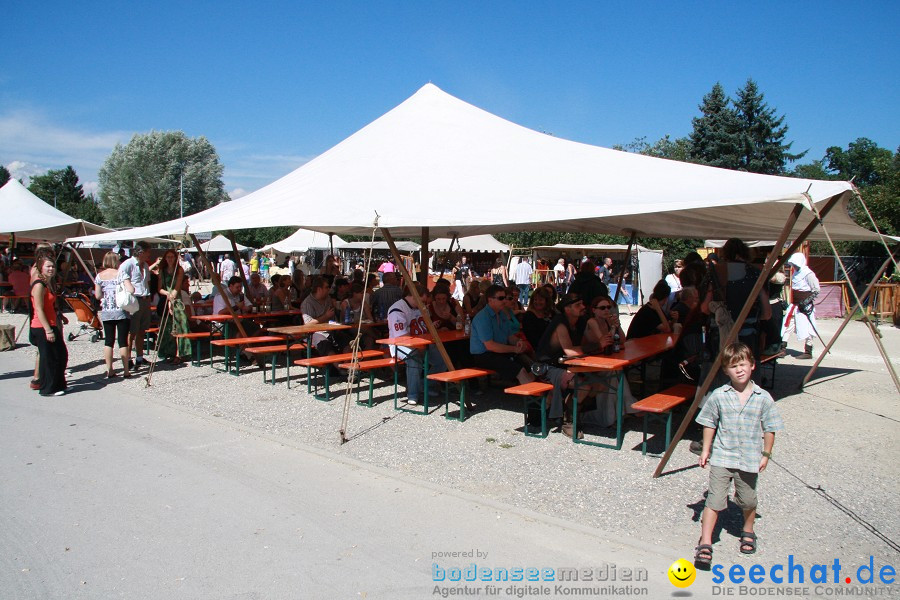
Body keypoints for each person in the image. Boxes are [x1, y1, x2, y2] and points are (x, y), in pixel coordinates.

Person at [694, 342, 783, 568]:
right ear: (726, 370)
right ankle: (705, 541)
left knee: (748, 499)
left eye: (743, 364)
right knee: (714, 499)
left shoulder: (763, 398)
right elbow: (709, 423)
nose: (739, 370)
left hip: (749, 458)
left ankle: (748, 529)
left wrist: (766, 454)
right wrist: (706, 450)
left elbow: (770, 427)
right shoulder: (719, 396)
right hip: (723, 456)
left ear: (752, 366)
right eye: (733, 366)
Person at [388, 283, 446, 405]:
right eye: (422, 301)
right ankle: (413, 394)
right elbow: (401, 337)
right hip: (400, 345)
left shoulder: (419, 308)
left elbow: (424, 327)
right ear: (415, 297)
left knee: (442, 359)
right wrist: (419, 345)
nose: (424, 304)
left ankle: (422, 385)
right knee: (414, 358)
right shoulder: (397, 309)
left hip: (422, 342)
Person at [469, 285, 532, 384]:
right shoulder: (483, 317)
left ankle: (540, 394)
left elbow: (510, 336)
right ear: (490, 300)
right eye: (501, 298)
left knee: (529, 365)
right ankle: (535, 396)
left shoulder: (501, 314)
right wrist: (514, 349)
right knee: (519, 369)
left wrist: (519, 342)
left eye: (505, 298)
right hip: (483, 356)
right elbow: (490, 346)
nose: (504, 301)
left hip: (498, 352)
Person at [30, 254, 68, 396]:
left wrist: (60, 317)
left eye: (53, 266)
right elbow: (38, 308)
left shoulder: (48, 283)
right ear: (41, 267)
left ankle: (59, 385)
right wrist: (48, 330)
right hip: (42, 326)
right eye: (48, 266)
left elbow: (50, 306)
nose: (51, 269)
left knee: (61, 355)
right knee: (49, 358)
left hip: (51, 323)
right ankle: (47, 389)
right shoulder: (39, 284)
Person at [94, 252, 131, 378]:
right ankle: (126, 370)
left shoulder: (99, 276)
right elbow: (131, 289)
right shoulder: (120, 274)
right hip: (121, 311)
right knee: (122, 341)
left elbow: (98, 295)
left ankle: (109, 369)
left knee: (108, 341)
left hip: (107, 311)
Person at [153, 249, 191, 364]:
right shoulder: (162, 271)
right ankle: (169, 352)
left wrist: (172, 300)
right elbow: (160, 289)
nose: (170, 259)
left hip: (177, 300)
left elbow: (177, 287)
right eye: (168, 257)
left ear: (175, 258)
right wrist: (168, 296)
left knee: (180, 326)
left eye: (172, 257)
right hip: (167, 298)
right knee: (168, 328)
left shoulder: (179, 270)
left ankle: (180, 353)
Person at [119, 241, 152, 369]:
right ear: (141, 252)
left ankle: (139, 357)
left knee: (142, 330)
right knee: (131, 331)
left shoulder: (145, 266)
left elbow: (146, 282)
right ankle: (128, 359)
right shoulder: (128, 264)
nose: (149, 255)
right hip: (134, 299)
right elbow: (121, 280)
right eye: (148, 252)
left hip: (145, 298)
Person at [784, 253, 820, 359]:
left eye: (795, 263)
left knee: (807, 327)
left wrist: (806, 302)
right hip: (795, 305)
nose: (793, 266)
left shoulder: (808, 274)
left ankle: (808, 351)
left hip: (805, 306)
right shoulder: (796, 272)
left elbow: (816, 290)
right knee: (787, 325)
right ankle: (782, 348)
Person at [521, 286, 554, 350]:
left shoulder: (552, 313)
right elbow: (531, 338)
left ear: (546, 301)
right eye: (535, 299)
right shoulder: (529, 316)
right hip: (537, 348)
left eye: (540, 300)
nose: (537, 302)